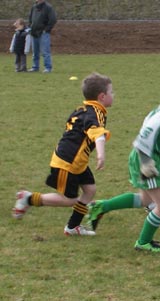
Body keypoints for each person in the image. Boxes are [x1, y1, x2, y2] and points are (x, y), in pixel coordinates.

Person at [87, 69, 160, 252]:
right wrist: (145, 160)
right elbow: (148, 129)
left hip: (147, 156)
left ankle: (101, 207)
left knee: (144, 199)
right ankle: (143, 243)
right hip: (146, 157)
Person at [12, 72, 114, 236]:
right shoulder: (95, 113)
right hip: (68, 162)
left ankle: (72, 227)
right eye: (111, 92)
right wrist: (101, 154)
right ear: (102, 96)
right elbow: (96, 133)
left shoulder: (83, 109)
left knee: (90, 190)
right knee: (68, 199)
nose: (113, 95)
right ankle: (28, 198)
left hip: (76, 161)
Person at [28, 0, 57, 73]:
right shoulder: (34, 7)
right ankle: (35, 67)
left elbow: (53, 19)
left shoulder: (48, 7)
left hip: (43, 33)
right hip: (34, 32)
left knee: (45, 51)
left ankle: (48, 67)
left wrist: (46, 29)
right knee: (35, 51)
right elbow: (30, 18)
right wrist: (30, 27)